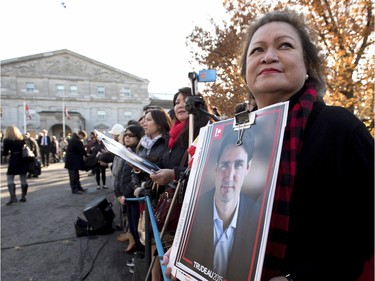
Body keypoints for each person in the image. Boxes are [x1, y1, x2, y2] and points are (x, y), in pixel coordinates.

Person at [163, 9, 374, 281]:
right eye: (257, 50)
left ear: (308, 64)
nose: (269, 56)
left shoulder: (340, 128)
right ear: (246, 72)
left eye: (284, 45)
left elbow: (364, 229)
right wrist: (184, 252)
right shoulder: (229, 136)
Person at [183, 129, 258, 280]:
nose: (229, 176)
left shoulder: (258, 216)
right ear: (216, 167)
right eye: (225, 165)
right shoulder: (193, 208)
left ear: (248, 168)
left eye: (238, 165)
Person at [112, 125, 145, 256]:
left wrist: (124, 195)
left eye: (131, 135)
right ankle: (138, 253)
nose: (127, 137)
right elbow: (120, 175)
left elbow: (134, 178)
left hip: (134, 197)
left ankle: (141, 254)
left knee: (138, 229)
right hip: (126, 197)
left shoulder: (139, 153)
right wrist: (118, 193)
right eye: (125, 135)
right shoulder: (127, 152)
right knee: (131, 226)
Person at [3, 125, 31, 204]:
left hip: (14, 159)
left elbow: (5, 153)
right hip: (22, 159)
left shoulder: (7, 140)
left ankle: (13, 197)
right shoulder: (21, 139)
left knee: (10, 178)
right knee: (23, 178)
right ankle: (23, 196)